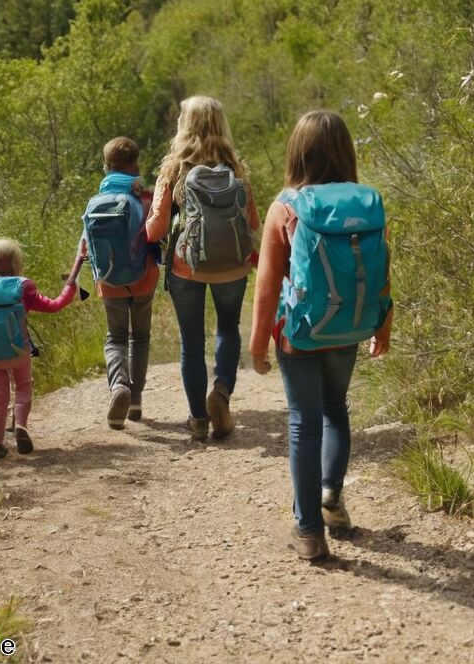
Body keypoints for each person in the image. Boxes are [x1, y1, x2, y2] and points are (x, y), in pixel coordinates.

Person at [250, 111, 393, 560]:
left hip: (300, 334)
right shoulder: (368, 203)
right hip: (349, 327)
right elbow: (382, 274)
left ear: (297, 151)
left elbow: (268, 286)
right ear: (346, 152)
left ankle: (310, 532)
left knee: (303, 422)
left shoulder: (287, 206)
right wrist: (382, 327)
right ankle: (331, 495)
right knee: (336, 409)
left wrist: (257, 344)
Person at [146, 95, 260, 441]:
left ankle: (198, 420)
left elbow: (154, 230)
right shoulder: (235, 167)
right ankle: (222, 390)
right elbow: (252, 221)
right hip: (232, 264)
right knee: (227, 328)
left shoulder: (175, 169)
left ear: (185, 124)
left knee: (191, 343)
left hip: (186, 266)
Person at [0, 238, 79, 460]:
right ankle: (20, 427)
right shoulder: (23, 287)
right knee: (23, 388)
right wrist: (71, 286)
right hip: (18, 351)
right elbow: (55, 306)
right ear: (16, 262)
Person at [80, 136, 160, 430]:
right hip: (142, 279)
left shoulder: (95, 202)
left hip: (109, 280)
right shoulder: (144, 198)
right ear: (135, 163)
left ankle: (119, 388)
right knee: (139, 338)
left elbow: (87, 245)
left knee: (115, 337)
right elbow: (155, 234)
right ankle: (135, 399)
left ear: (106, 166)